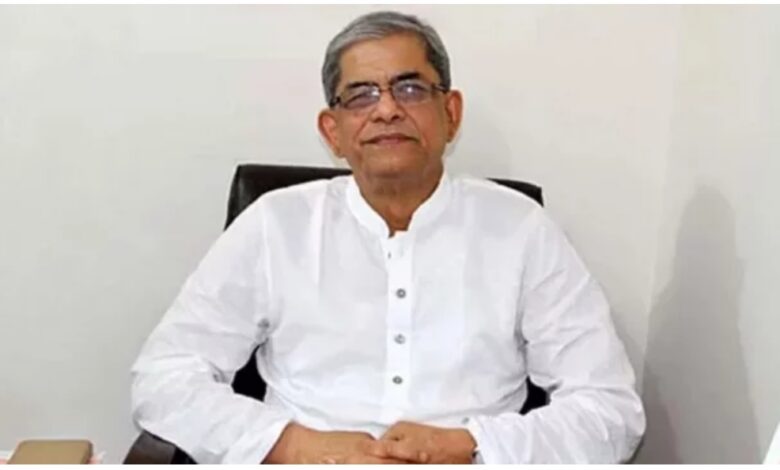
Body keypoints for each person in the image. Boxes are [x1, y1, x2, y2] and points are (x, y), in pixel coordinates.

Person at [130, 11, 645, 464]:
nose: (387, 110)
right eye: (361, 95)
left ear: (451, 114)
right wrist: (296, 446)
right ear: (332, 131)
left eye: (411, 88)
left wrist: (471, 445)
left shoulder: (521, 229)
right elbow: (164, 377)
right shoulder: (275, 225)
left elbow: (610, 410)